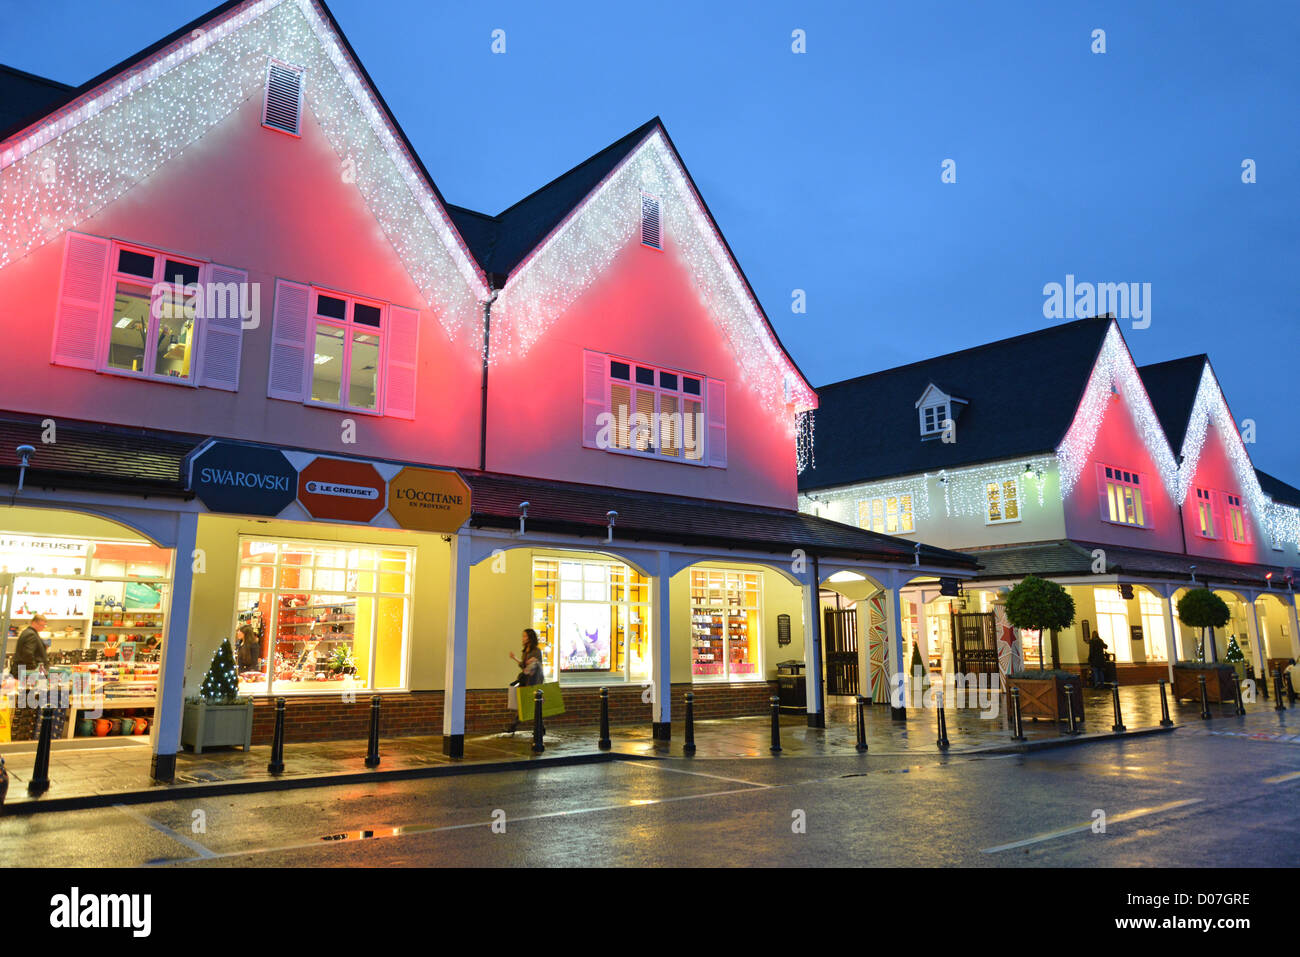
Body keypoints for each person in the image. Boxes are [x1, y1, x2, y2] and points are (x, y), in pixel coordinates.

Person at [506, 628, 544, 734]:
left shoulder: (536, 650)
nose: (522, 638)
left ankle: (514, 726)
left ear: (530, 638)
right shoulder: (525, 651)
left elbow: (537, 664)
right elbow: (524, 665)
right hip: (526, 679)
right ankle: (540, 727)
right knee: (528, 703)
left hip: (534, 680)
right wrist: (515, 658)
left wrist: (533, 661)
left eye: (524, 636)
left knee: (531, 703)